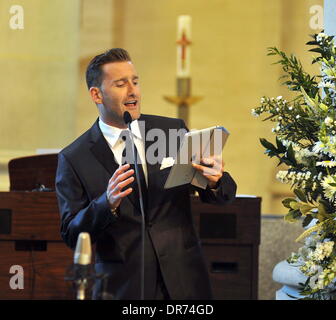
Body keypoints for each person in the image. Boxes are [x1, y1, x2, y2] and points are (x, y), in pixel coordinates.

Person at [55, 48, 237, 300]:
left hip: (184, 282)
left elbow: (223, 197)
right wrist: (106, 203)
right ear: (96, 94)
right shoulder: (74, 158)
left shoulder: (171, 130)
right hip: (122, 288)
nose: (133, 91)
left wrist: (216, 181)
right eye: (121, 84)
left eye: (135, 81)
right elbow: (72, 235)